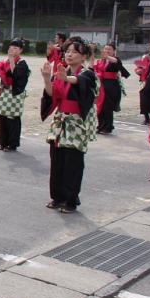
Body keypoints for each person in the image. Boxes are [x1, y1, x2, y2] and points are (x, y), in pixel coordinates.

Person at [41, 40, 98, 214]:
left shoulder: (88, 74)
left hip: (76, 123)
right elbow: (52, 95)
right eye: (67, 51)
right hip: (60, 121)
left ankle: (70, 200)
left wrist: (67, 78)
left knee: (72, 162)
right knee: (57, 159)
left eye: (74, 51)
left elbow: (79, 81)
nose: (69, 54)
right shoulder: (60, 72)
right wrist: (46, 78)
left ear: (84, 56)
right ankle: (57, 197)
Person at [0, 39, 30, 151]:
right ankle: (3, 142)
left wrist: (12, 60)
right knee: (3, 116)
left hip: (15, 93)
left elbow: (16, 75)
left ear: (21, 50)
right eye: (11, 47)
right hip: (5, 92)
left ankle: (12, 144)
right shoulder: (5, 61)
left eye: (16, 48)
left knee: (12, 118)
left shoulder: (22, 63)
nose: (12, 50)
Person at [94, 42, 130, 134]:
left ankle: (108, 127)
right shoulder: (101, 60)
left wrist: (107, 57)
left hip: (111, 86)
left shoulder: (115, 59)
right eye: (105, 49)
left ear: (114, 51)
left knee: (107, 107)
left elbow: (116, 62)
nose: (106, 51)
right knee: (100, 107)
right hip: (101, 85)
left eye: (109, 49)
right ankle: (100, 126)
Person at [135, 41, 150, 125]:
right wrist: (138, 71)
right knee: (143, 100)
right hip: (145, 81)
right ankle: (146, 118)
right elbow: (140, 67)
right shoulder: (145, 56)